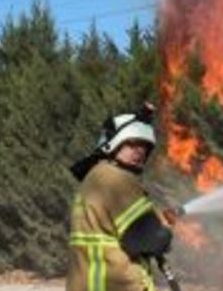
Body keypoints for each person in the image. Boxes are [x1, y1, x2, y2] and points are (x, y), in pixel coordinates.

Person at [66, 105, 173, 291]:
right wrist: (163, 228)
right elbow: (148, 240)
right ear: (113, 143)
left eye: (144, 147)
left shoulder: (95, 177)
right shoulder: (117, 179)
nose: (139, 151)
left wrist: (156, 218)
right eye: (132, 144)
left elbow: (118, 228)